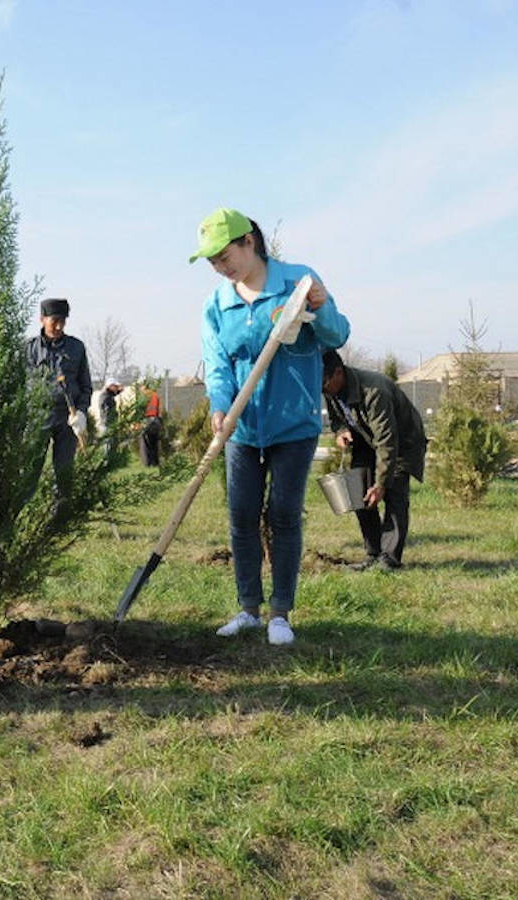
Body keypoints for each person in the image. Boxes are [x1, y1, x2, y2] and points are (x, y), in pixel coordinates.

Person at [191, 208, 350, 646]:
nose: (221, 268)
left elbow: (337, 335)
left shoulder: (297, 282)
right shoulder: (217, 304)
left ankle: (280, 613)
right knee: (241, 516)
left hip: (292, 424)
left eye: (225, 256)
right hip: (241, 428)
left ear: (249, 242)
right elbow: (219, 364)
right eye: (213, 262)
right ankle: (248, 609)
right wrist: (220, 407)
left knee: (282, 514)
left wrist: (321, 306)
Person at [321, 349, 427, 572]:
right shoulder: (330, 388)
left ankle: (390, 558)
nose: (321, 389)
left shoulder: (374, 391)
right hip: (365, 440)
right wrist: (341, 431)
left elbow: (387, 441)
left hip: (402, 443)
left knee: (394, 495)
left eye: (323, 382)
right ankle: (373, 553)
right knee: (358, 493)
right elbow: (336, 418)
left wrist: (380, 485)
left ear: (338, 373)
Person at [26, 297, 93, 473]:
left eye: (62, 322)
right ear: (42, 319)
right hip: (37, 416)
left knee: (64, 472)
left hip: (68, 418)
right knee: (29, 471)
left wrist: (81, 412)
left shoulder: (76, 347)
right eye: (54, 321)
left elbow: (86, 386)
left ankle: (62, 501)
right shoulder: (28, 349)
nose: (58, 327)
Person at [139, 384, 163, 466]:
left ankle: (147, 463)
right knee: (154, 442)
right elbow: (159, 409)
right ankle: (155, 462)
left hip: (146, 420)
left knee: (145, 443)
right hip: (155, 420)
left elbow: (140, 410)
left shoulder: (142, 397)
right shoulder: (155, 395)